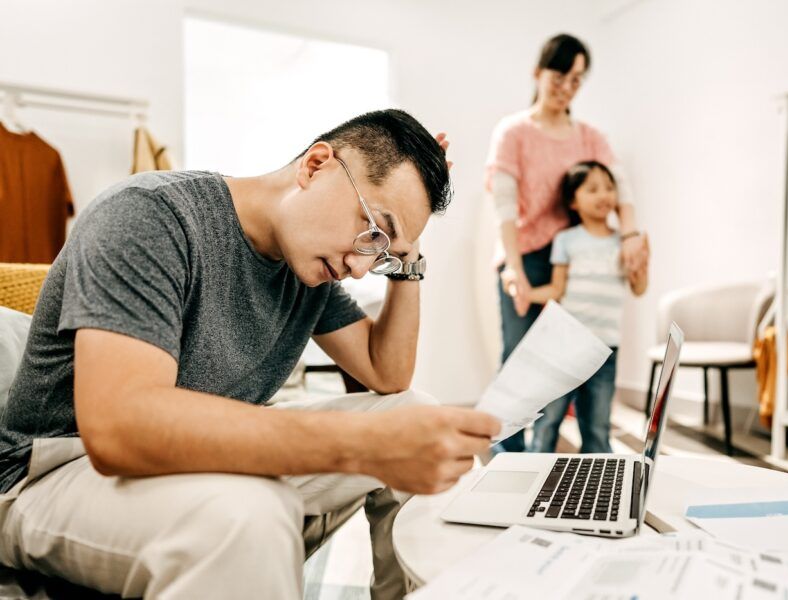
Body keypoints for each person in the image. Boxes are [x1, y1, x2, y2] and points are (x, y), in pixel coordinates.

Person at [0, 109, 501, 599]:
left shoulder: (306, 263)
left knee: (415, 411)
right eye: (373, 228)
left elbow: (387, 374)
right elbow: (119, 428)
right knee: (247, 512)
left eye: (381, 251)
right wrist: (360, 442)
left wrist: (408, 257)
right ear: (316, 165)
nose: (360, 266)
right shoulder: (151, 214)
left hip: (196, 461)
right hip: (52, 470)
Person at [485, 33, 648, 452]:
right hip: (527, 256)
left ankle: (558, 447)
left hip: (575, 255)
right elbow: (504, 209)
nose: (567, 88)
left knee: (568, 362)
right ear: (538, 73)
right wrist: (515, 270)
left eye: (577, 80)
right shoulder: (513, 132)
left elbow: (621, 189)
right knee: (520, 361)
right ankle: (509, 455)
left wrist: (629, 236)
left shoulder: (589, 136)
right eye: (560, 76)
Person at [526, 160, 648, 453]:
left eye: (609, 187)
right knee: (548, 419)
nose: (603, 194)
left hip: (605, 349)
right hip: (565, 344)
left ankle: (598, 483)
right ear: (573, 201)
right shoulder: (566, 239)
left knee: (597, 425)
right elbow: (557, 289)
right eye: (592, 189)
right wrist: (525, 292)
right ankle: (532, 469)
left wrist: (642, 265)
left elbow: (638, 288)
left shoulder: (626, 241)